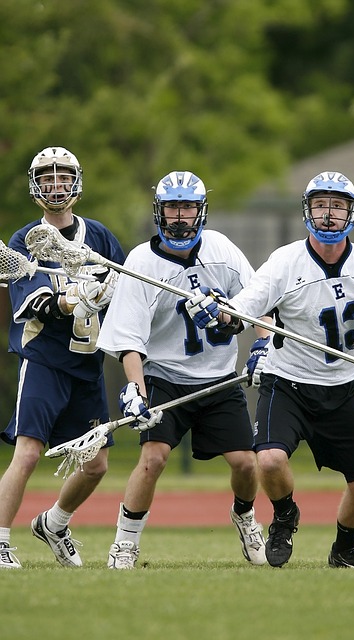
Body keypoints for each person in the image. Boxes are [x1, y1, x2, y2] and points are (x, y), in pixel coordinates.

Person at [186, 170, 354, 569]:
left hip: (341, 388)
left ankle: (344, 550)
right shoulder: (285, 261)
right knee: (269, 460)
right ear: (307, 211)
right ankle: (284, 517)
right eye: (320, 205)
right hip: (288, 383)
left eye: (337, 205)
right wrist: (218, 315)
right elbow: (243, 309)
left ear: (351, 212)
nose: (328, 215)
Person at [96, 170, 268, 569]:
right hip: (165, 377)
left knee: (245, 463)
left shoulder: (222, 250)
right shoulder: (140, 262)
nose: (179, 216)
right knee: (153, 458)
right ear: (159, 211)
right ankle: (125, 542)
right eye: (172, 207)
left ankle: (244, 516)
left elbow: (259, 300)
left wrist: (262, 344)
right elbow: (128, 339)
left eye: (187, 207)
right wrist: (136, 389)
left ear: (200, 210)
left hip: (219, 378)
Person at [0, 146, 125, 569]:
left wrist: (110, 291)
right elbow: (31, 303)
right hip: (45, 361)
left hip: (87, 367)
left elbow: (126, 293)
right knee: (29, 452)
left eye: (63, 175)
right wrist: (72, 299)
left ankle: (53, 524)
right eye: (47, 177)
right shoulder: (24, 240)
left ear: (77, 181)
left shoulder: (101, 237)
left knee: (96, 465)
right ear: (36, 185)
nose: (56, 184)